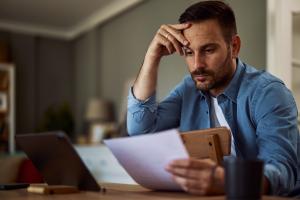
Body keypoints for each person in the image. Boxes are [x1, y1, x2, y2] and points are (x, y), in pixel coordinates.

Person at [127, 0, 300, 196]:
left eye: (208, 50)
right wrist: (152, 56)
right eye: (189, 52)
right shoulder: (188, 89)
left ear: (234, 46)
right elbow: (142, 131)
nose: (197, 64)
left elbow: (282, 171)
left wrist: (226, 181)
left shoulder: (268, 93)